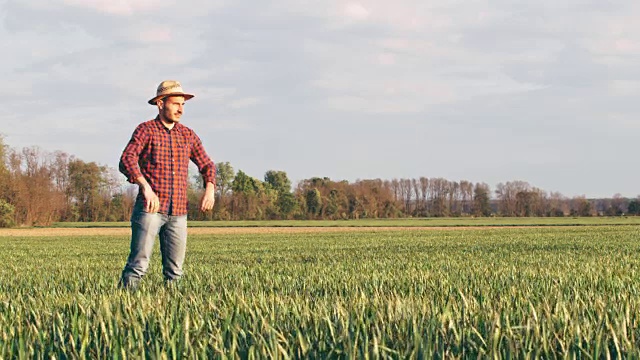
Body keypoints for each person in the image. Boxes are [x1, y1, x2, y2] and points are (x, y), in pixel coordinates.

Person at [118, 80, 216, 289]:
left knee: (175, 272)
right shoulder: (146, 130)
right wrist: (145, 186)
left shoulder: (187, 135)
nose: (180, 109)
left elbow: (207, 164)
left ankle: (172, 314)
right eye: (175, 103)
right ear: (161, 104)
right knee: (138, 266)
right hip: (150, 210)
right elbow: (127, 159)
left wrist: (210, 188)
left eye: (183, 104)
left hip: (179, 212)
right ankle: (122, 310)